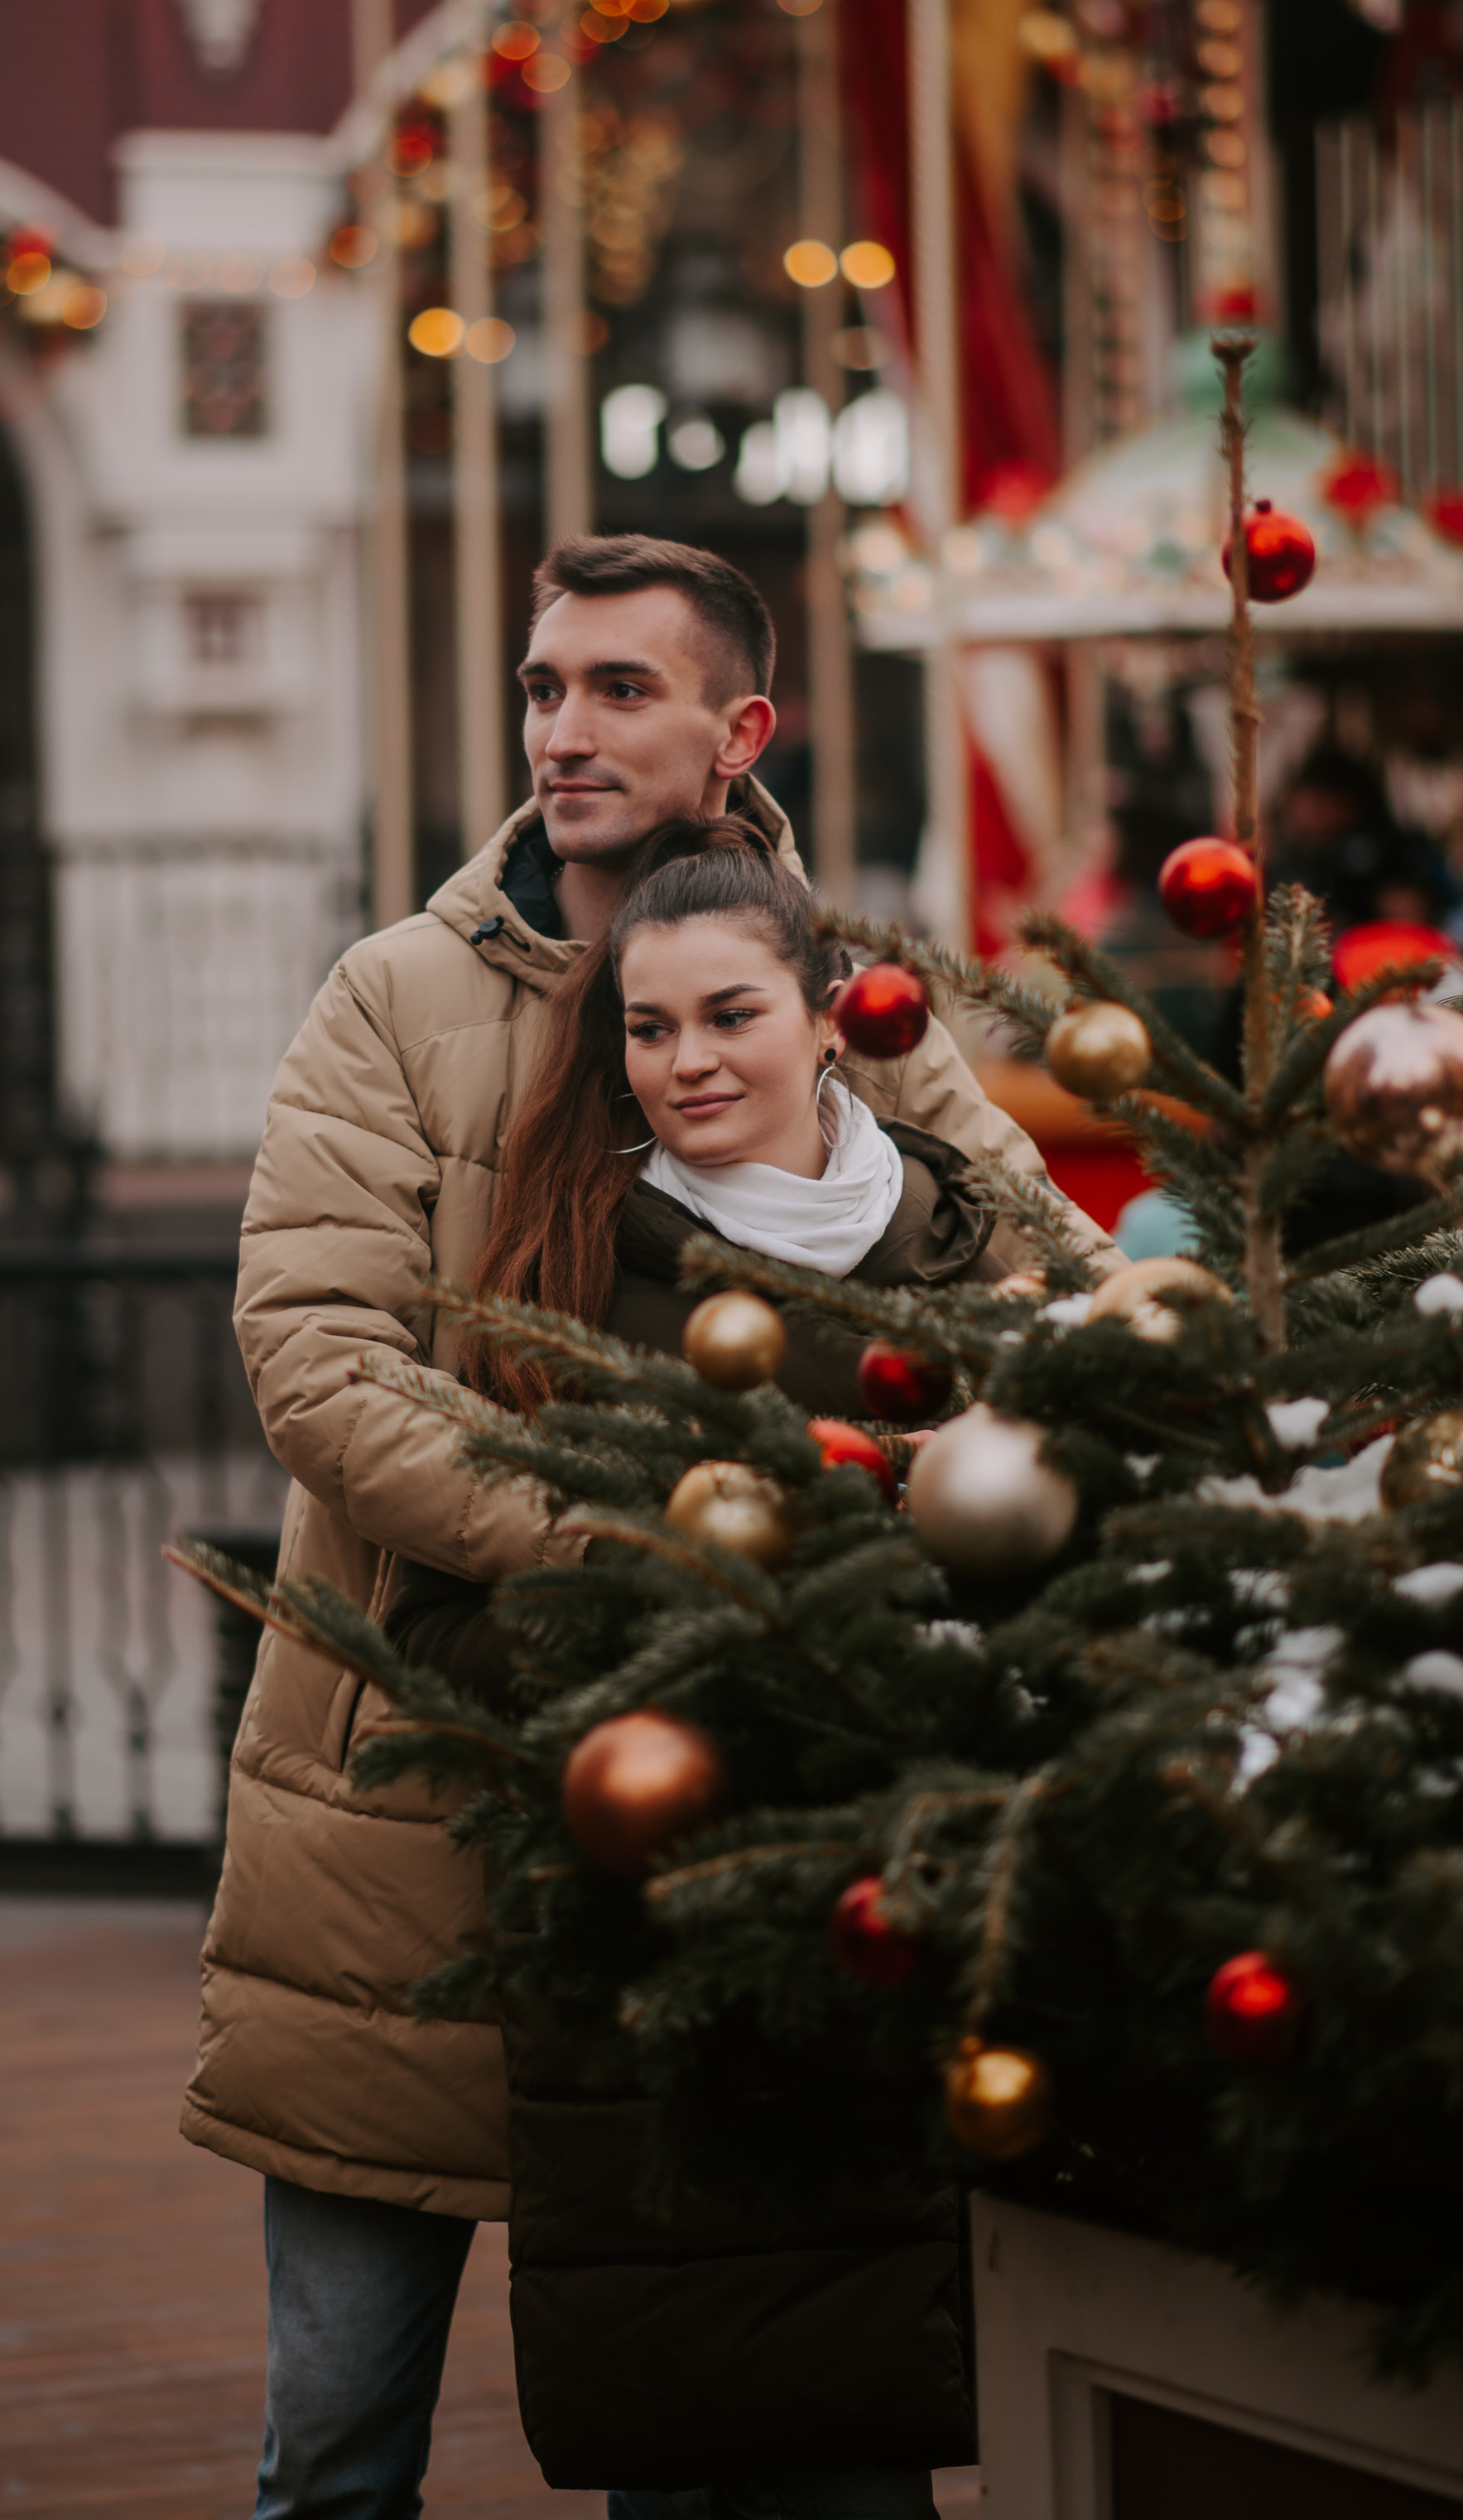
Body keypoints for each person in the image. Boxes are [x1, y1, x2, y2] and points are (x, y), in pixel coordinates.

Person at [182, 532, 1118, 2520]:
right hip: (415, 1810)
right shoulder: (401, 994)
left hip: (733, 1821)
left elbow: (1042, 1265)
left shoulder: (832, 986)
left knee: (717, 2414)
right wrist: (653, 1541)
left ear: (735, 728)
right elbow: (319, 1354)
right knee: (338, 2444)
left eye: (620, 687)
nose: (565, 729)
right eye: (542, 687)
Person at [391, 822, 985, 2515]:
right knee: (697, 2433)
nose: (685, 1062)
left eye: (727, 1015)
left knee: (884, 2442)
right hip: (655, 1939)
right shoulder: (570, 1257)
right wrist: (659, 1647)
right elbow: (438, 1613)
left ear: (820, 1015)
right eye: (647, 1030)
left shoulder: (945, 1244)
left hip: (911, 1922)